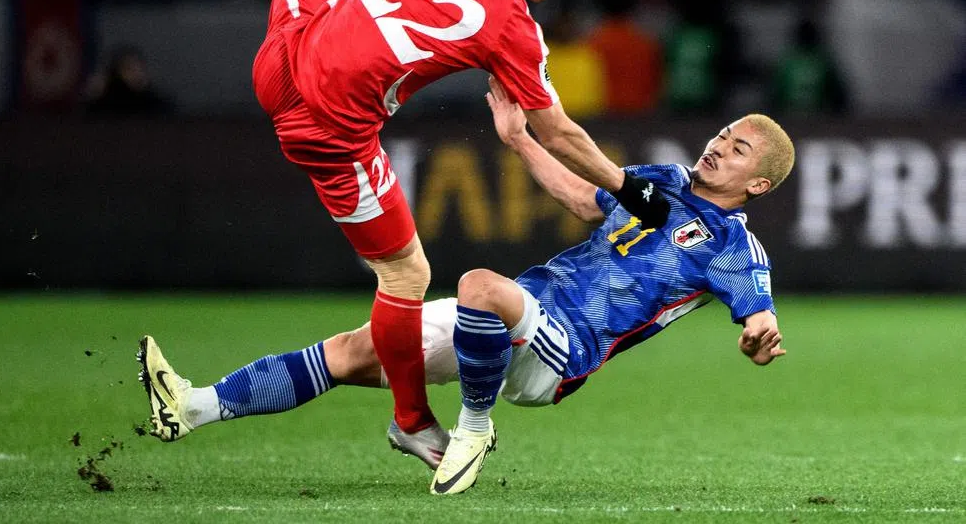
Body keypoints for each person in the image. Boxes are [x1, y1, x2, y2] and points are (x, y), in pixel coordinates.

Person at [142, 0, 672, 464]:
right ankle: (414, 422)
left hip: (285, 54)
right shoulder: (509, 23)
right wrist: (629, 186)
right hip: (327, 128)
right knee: (404, 276)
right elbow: (559, 130)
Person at [137, 78, 793, 494]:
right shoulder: (670, 181)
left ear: (757, 184)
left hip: (563, 353)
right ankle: (192, 407)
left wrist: (760, 335)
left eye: (736, 151)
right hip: (523, 314)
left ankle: (470, 429)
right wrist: (519, 141)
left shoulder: (736, 247)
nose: (717, 147)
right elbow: (587, 200)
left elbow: (759, 315)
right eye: (723, 135)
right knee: (358, 349)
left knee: (481, 283)